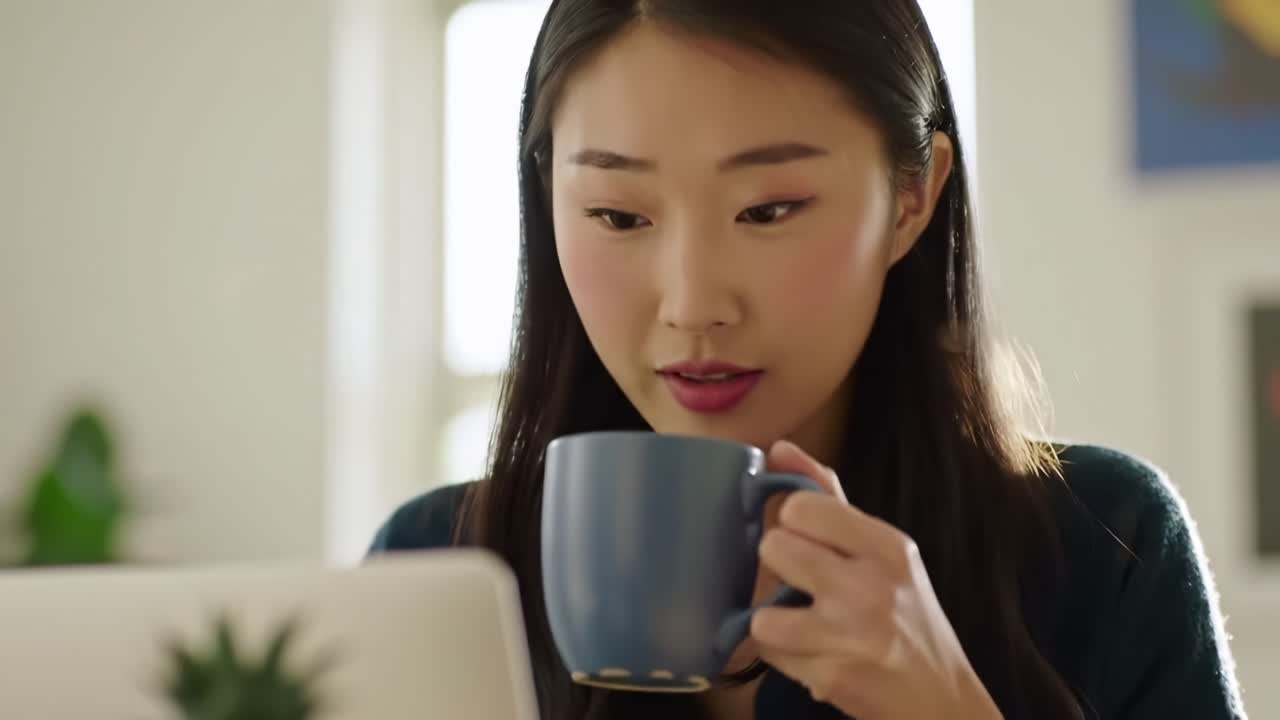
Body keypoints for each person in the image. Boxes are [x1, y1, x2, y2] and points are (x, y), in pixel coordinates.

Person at [368, 1, 1247, 718]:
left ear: (912, 197)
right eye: (618, 216)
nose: (694, 304)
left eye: (769, 210)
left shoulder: (1104, 548)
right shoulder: (437, 571)